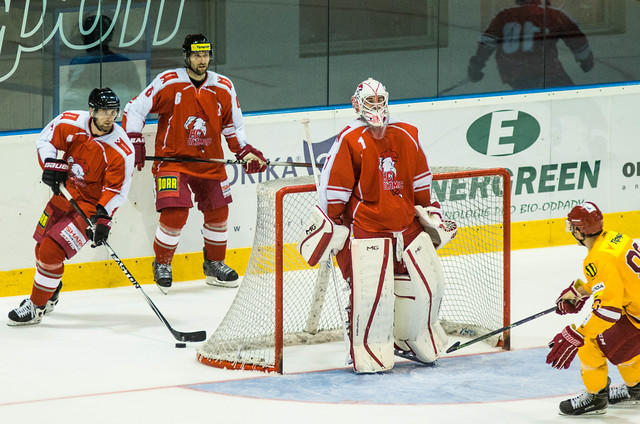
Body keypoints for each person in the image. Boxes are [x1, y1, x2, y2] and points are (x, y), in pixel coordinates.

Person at [302, 78, 457, 373]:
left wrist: (428, 210)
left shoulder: (408, 133)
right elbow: (335, 189)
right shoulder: (350, 138)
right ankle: (367, 349)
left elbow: (421, 179)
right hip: (367, 228)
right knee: (370, 295)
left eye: (379, 101)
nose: (375, 107)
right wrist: (332, 222)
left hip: (406, 224)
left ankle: (412, 338)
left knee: (429, 286)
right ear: (357, 103)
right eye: (369, 102)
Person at [122, 33, 267, 294]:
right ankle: (163, 264)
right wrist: (134, 139)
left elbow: (233, 125)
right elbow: (135, 109)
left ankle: (214, 264)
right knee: (175, 213)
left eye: (206, 54)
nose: (202, 60)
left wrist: (244, 151)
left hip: (209, 162)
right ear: (186, 56)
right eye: (197, 55)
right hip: (172, 162)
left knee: (218, 214)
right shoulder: (169, 81)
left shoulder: (223, 85)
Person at [8, 88, 134, 325]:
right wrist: (51, 165)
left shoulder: (122, 149)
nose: (109, 116)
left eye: (113, 111)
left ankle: (36, 307)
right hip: (62, 196)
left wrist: (102, 220)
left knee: (50, 252)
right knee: (41, 249)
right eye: (104, 111)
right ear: (92, 111)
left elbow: (116, 191)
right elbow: (45, 140)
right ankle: (52, 290)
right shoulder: (70, 122)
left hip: (87, 207)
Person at [546, 201, 640, 415]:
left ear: (580, 230)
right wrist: (581, 291)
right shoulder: (616, 238)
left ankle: (595, 397)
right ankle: (637, 388)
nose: (572, 232)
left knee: (590, 343)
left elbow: (608, 311)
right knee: (622, 343)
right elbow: (615, 278)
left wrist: (579, 333)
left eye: (572, 227)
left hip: (636, 317)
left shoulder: (597, 258)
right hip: (635, 308)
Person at [467, 0, 594, 90]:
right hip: (548, 73)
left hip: (515, 75)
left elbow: (487, 43)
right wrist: (585, 60)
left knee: (531, 106)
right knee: (573, 105)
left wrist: (476, 65)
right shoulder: (553, 14)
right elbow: (577, 40)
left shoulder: (502, 16)